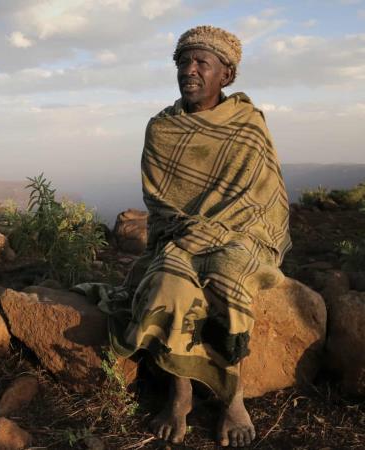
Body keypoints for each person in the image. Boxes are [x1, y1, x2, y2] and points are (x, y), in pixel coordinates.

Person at [75, 25, 291, 447]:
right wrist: (190, 231)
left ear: (225, 75)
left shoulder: (247, 126)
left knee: (228, 280)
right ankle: (181, 392)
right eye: (182, 62)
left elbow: (260, 199)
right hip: (180, 235)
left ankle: (232, 397)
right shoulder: (161, 128)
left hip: (240, 234)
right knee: (169, 281)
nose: (189, 70)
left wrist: (218, 229)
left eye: (201, 62)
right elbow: (159, 203)